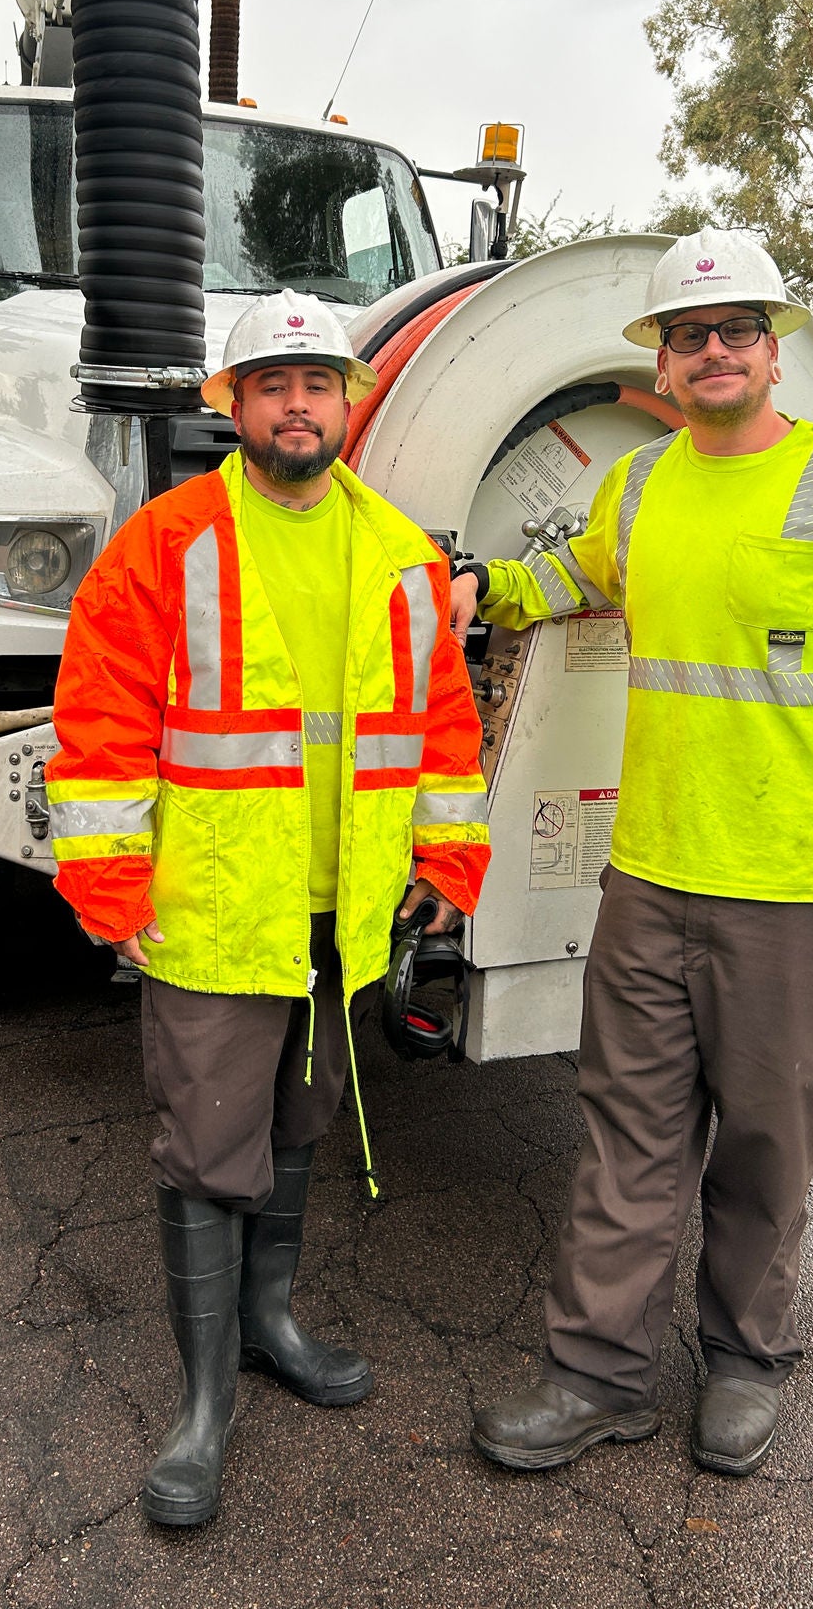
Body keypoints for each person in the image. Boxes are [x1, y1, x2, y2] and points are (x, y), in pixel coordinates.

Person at [452, 231, 813, 1479]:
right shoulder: (641, 483)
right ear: (664, 360)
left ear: (774, 345)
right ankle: (598, 1374)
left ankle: (746, 1358)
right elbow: (580, 571)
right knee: (624, 1137)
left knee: (764, 1144)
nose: (714, 350)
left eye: (737, 327)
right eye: (690, 334)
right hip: (650, 876)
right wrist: (492, 587)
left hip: (800, 890)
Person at [46, 289, 491, 1528]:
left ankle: (269, 1322)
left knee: (300, 1121)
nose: (299, 404)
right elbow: (100, 722)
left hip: (342, 914)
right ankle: (203, 1404)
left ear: (349, 402)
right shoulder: (165, 544)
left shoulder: (401, 555)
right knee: (206, 1141)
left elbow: (443, 731)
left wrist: (446, 865)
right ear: (233, 405)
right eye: (274, 384)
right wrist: (107, 881)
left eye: (318, 384)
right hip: (214, 910)